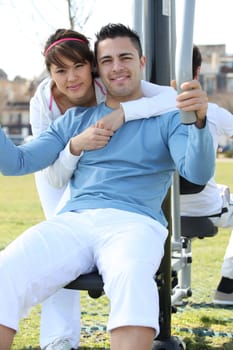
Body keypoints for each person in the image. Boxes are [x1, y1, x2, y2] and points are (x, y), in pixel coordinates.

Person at [0, 23, 214, 350]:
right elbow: (17, 162)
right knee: (6, 270)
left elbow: (197, 173)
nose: (117, 67)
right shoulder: (74, 121)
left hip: (135, 223)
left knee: (132, 279)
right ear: (98, 69)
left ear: (141, 62)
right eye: (107, 60)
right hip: (74, 220)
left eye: (125, 57)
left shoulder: (169, 116)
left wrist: (199, 123)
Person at [30, 28, 178, 350]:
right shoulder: (42, 100)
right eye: (60, 70)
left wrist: (123, 113)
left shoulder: (109, 82)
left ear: (92, 66)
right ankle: (59, 340)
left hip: (111, 176)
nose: (71, 78)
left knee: (116, 251)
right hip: (61, 164)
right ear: (50, 74)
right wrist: (73, 147)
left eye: (78, 66)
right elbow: (51, 169)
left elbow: (171, 98)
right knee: (54, 245)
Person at [179, 45, 233, 305]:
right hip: (206, 209)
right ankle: (228, 285)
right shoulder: (214, 113)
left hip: (155, 209)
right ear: (197, 72)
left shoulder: (141, 112)